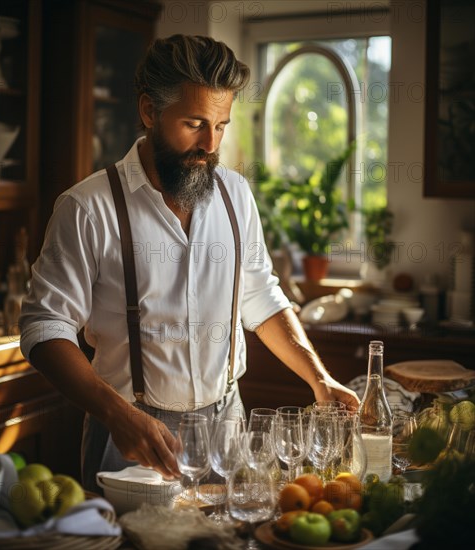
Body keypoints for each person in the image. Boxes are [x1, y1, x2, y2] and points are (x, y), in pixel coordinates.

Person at [19, 34, 359, 493]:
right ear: (148, 111)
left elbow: (260, 296)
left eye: (221, 125)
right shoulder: (86, 208)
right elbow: (45, 327)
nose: (210, 143)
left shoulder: (235, 194)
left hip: (228, 425)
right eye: (195, 123)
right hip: (129, 433)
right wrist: (117, 414)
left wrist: (320, 381)